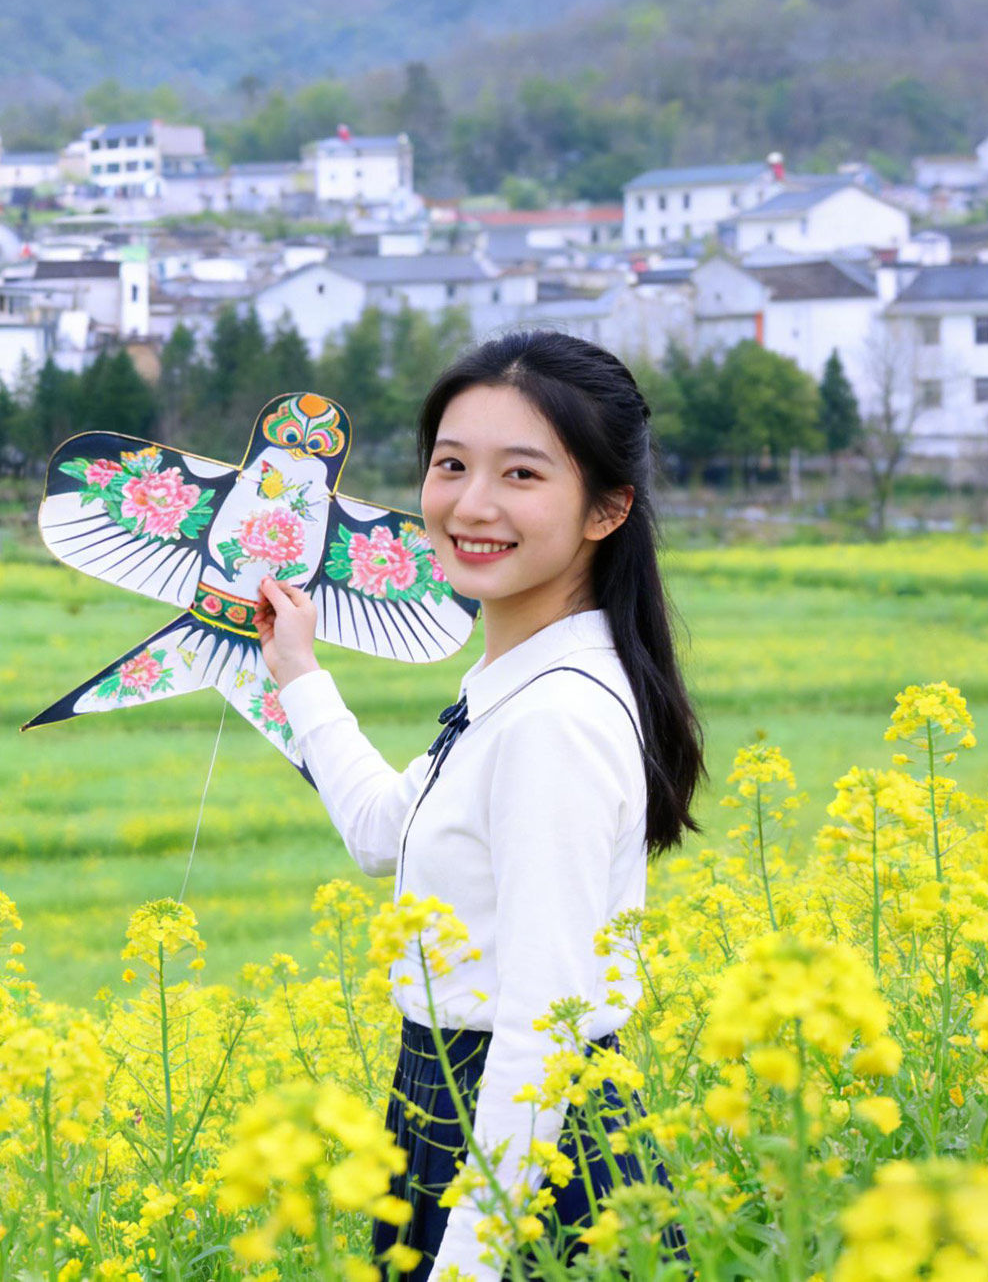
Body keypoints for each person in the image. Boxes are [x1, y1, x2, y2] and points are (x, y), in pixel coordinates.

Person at [253, 332, 703, 1282]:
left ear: (608, 507)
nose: (473, 504)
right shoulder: (515, 686)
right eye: (451, 465)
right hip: (467, 1128)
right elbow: (386, 833)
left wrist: (472, 1263)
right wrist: (296, 670)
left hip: (518, 1158)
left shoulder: (554, 719)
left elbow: (544, 1023)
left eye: (523, 474)